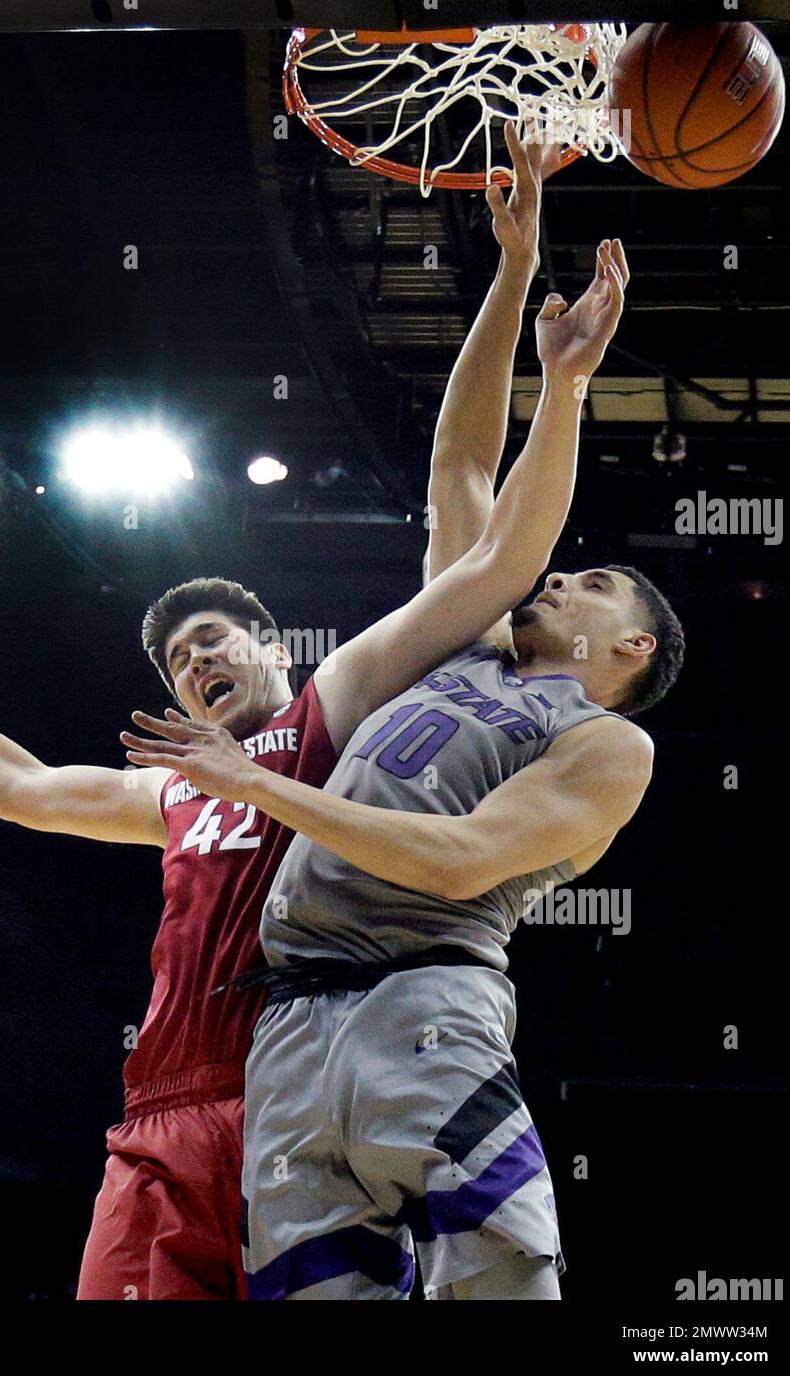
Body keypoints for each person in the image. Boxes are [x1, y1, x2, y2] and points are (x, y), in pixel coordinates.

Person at [0, 127, 598, 1300]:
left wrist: (533, 315)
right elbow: (18, 788)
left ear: (275, 646)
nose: (191, 663)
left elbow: (482, 529)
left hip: (315, 1070)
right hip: (173, 1105)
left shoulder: (335, 709)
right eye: (173, 659)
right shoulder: (176, 784)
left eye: (210, 639)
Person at [121, 241, 677, 1302]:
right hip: (284, 1024)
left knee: (499, 1281)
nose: (561, 574)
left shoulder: (605, 744)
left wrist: (262, 787)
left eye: (595, 583)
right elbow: (462, 473)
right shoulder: (461, 649)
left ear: (631, 650)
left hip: (420, 1001)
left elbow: (461, 860)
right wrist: (516, 278)